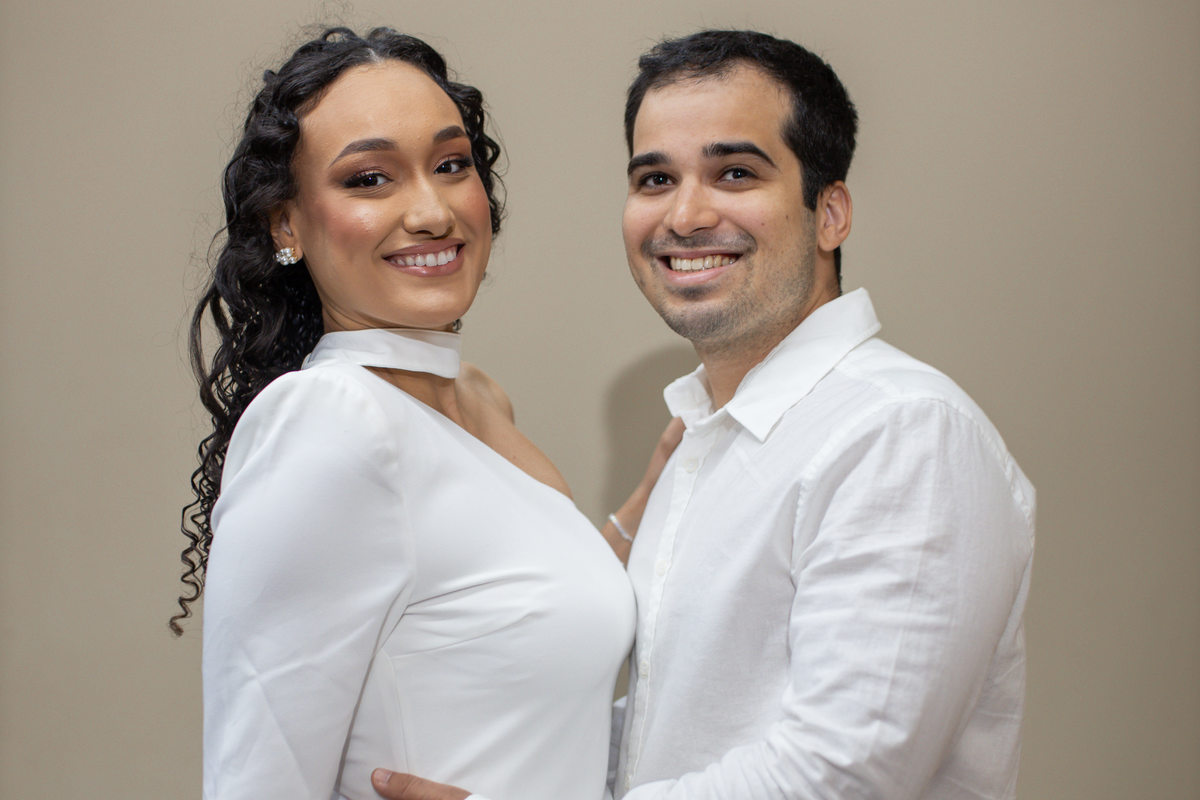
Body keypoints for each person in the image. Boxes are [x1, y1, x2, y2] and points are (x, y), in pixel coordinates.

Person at [371, 29, 1035, 800]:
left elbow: (844, 772)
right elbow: (666, 735)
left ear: (830, 213)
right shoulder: (705, 444)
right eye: (655, 179)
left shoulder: (901, 433)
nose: (684, 216)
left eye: (735, 173)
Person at [173, 27, 678, 800]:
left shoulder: (479, 399)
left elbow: (505, 624)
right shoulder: (331, 419)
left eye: (450, 165)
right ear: (286, 224)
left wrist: (644, 505)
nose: (432, 211)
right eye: (370, 179)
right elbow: (253, 780)